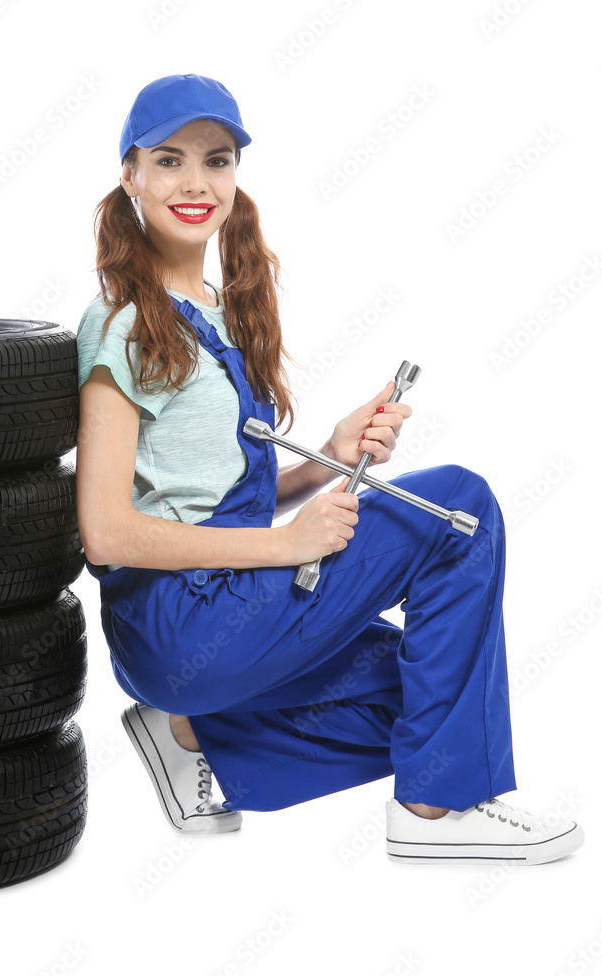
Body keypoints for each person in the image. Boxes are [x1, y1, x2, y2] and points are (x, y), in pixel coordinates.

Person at [75, 73, 583, 864]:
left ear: (237, 177)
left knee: (434, 694)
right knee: (462, 506)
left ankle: (189, 735)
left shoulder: (211, 309)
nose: (196, 183)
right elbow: (106, 531)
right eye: (169, 160)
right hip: (177, 623)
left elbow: (199, 502)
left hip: (218, 621)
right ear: (130, 174)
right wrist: (287, 546)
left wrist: (328, 463)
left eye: (217, 160)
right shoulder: (124, 323)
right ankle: (433, 810)